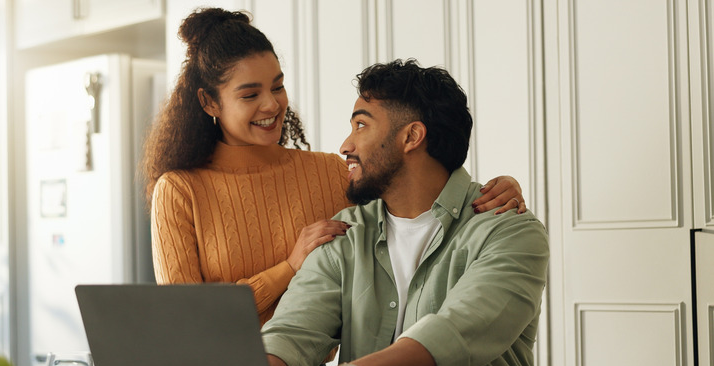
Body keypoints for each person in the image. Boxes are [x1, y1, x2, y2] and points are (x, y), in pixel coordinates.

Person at [140, 7, 526, 327]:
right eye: (250, 94)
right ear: (209, 103)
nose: (272, 105)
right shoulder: (179, 190)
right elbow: (183, 319)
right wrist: (288, 267)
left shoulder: (328, 172)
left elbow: (416, 199)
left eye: (277, 86)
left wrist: (495, 188)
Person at [262, 59, 554, 366]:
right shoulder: (344, 233)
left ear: (411, 137)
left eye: (361, 125)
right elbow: (291, 333)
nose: (346, 145)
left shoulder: (509, 232)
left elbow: (455, 334)